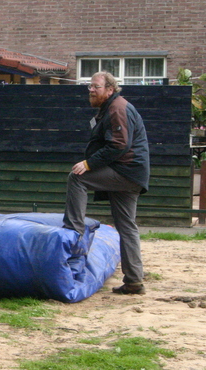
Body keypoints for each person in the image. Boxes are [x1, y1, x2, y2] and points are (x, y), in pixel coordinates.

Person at [62, 71, 150, 295]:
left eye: (96, 87)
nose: (91, 90)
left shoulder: (117, 108)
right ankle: (134, 281)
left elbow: (119, 145)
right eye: (89, 86)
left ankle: (73, 232)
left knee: (77, 177)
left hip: (125, 171)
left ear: (110, 89)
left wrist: (89, 164)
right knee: (127, 226)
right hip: (132, 174)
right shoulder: (110, 107)